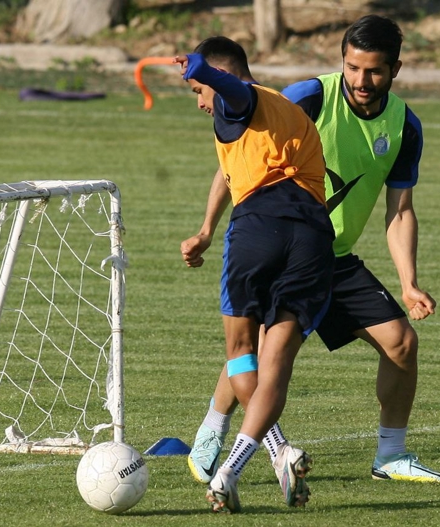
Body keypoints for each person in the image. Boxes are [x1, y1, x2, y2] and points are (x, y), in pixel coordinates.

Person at [183, 14, 440, 510]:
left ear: (395, 70)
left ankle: (389, 456)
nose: (361, 81)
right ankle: (211, 435)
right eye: (352, 68)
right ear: (341, 62)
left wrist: (409, 282)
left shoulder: (404, 126)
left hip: (335, 257)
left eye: (373, 71)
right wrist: (206, 227)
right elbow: (239, 156)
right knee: (261, 346)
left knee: (401, 344)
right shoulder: (309, 96)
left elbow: (400, 210)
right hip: (287, 244)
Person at [174, 36, 335, 513]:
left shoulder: (239, 99)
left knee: (241, 353)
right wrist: (205, 229)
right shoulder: (283, 111)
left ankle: (277, 449)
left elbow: (233, 88)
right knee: (276, 366)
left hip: (258, 231)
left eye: (198, 93)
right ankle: (242, 467)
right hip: (311, 239)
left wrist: (202, 70)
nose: (201, 104)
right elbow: (229, 173)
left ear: (215, 80)